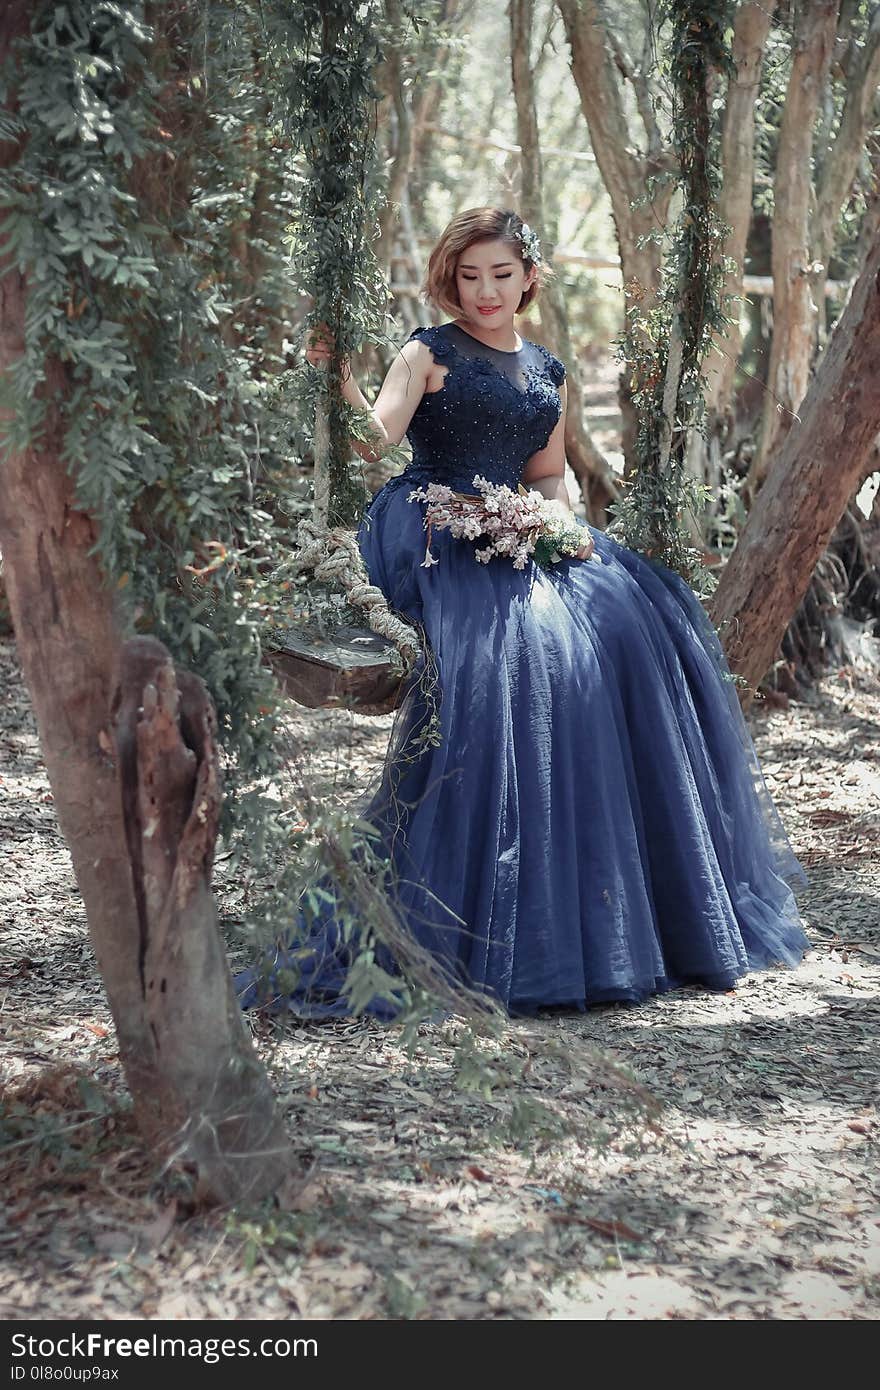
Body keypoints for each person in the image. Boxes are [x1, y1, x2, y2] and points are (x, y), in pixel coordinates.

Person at [236, 206, 809, 1018]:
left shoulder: (546, 370)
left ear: (529, 276)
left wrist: (556, 522)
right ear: (451, 280)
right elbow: (374, 441)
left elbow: (547, 473)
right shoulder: (425, 352)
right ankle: (478, 915)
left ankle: (627, 909)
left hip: (521, 529)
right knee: (524, 655)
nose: (485, 291)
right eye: (469, 277)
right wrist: (336, 382)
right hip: (438, 528)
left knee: (636, 624)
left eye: (501, 274)